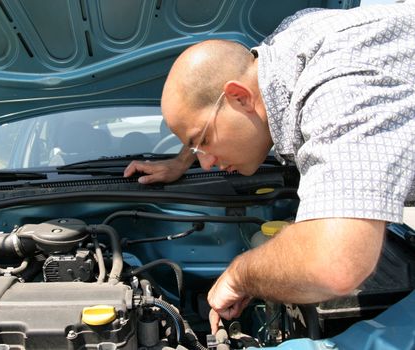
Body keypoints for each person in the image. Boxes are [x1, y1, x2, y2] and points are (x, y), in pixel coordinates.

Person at [123, 3, 415, 334]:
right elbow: (214, 94)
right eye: (196, 147)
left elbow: (336, 263)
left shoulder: (339, 90)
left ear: (240, 98)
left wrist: (239, 275)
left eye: (202, 141)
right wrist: (180, 162)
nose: (206, 162)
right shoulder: (285, 46)